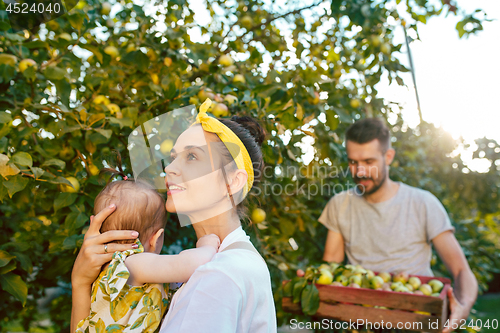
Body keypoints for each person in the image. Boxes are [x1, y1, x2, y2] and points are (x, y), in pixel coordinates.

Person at [71, 100, 277, 333]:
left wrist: (80, 283)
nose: (169, 168)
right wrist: (80, 283)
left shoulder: (218, 275)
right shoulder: (236, 261)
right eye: (173, 157)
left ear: (232, 181)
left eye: (191, 157)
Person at [319, 117, 478, 332]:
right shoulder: (339, 205)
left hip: (416, 320)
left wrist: (463, 306)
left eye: (369, 162)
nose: (360, 172)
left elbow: (461, 271)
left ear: (389, 156)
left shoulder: (423, 203)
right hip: (362, 321)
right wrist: (314, 281)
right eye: (353, 162)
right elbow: (331, 268)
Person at [74, 169, 221, 333]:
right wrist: (206, 246)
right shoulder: (133, 263)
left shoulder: (104, 271)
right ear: (156, 238)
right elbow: (188, 264)